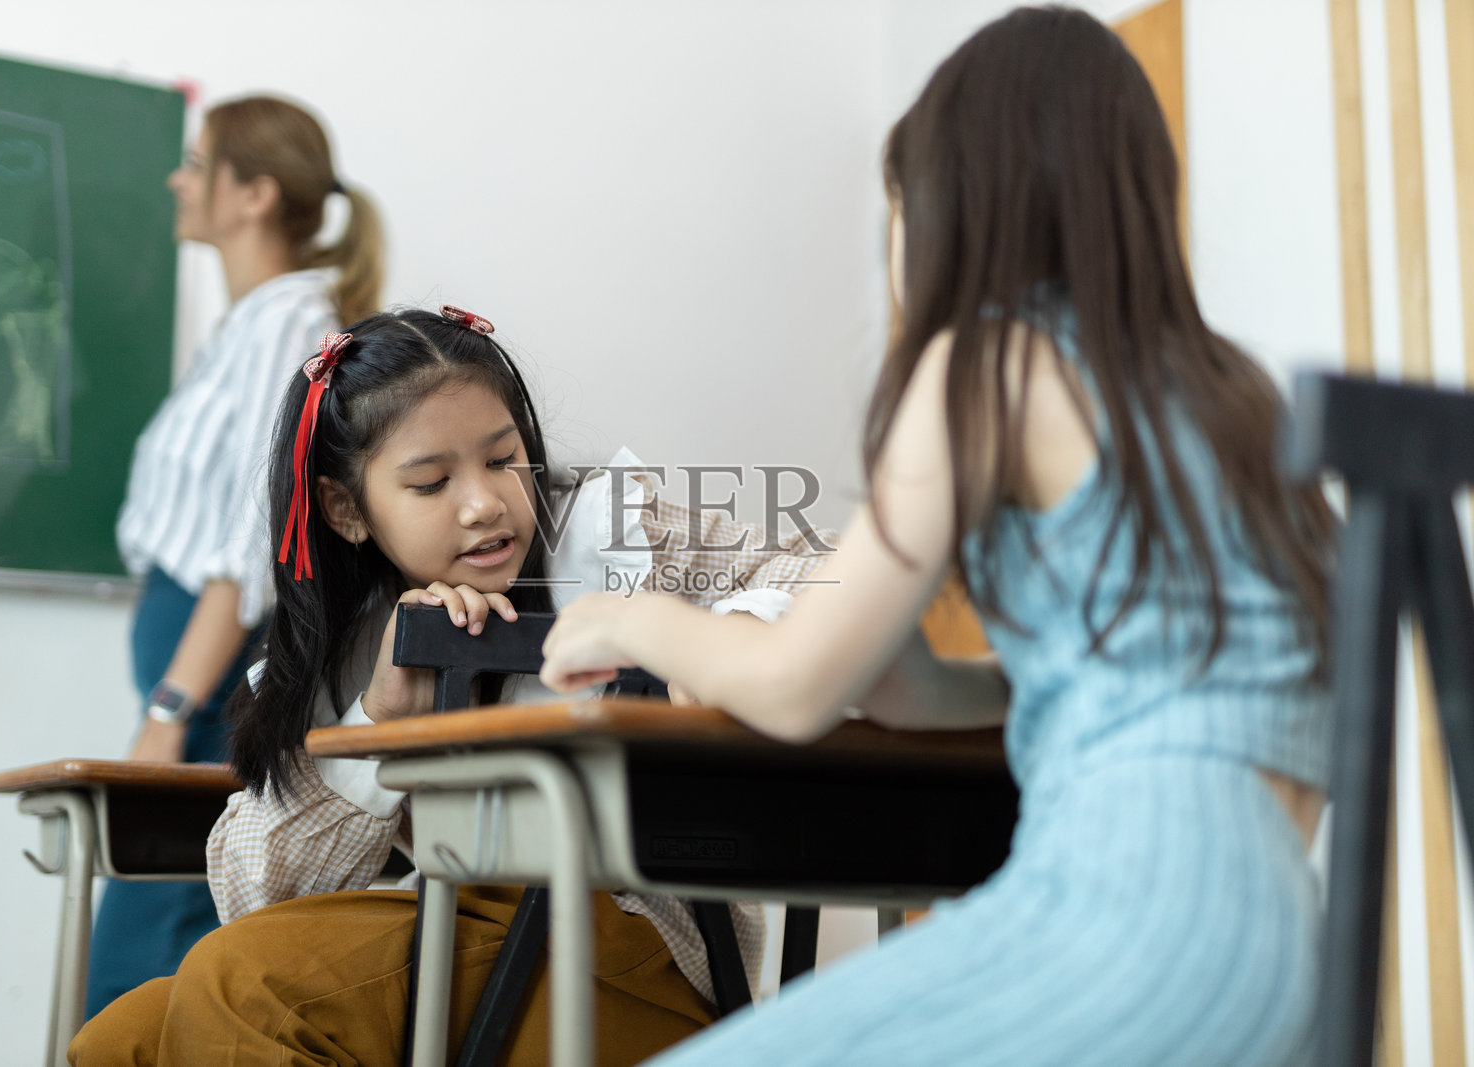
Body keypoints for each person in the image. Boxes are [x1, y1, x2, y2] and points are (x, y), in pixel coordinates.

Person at [539, 7, 1337, 1065]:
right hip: (1282, 956)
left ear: (951, 202)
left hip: (1124, 919)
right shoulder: (1237, 401)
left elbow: (789, 686)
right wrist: (925, 679)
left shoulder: (991, 362)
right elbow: (1113, 686)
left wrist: (630, 616)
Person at [69, 305, 836, 1066]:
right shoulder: (359, 636)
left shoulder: (612, 536)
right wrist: (378, 718)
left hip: (633, 961)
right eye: (432, 482)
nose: (484, 502)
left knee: (243, 983)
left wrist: (717, 644)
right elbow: (256, 897)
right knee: (121, 1036)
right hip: (464, 938)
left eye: (503, 459)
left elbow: (824, 573)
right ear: (345, 509)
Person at [90, 94, 385, 1019]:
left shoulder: (288, 326)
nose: (177, 180)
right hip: (195, 662)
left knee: (147, 950)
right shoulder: (252, 324)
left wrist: (170, 706)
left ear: (254, 193)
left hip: (211, 673)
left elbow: (256, 543)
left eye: (196, 162)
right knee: (149, 934)